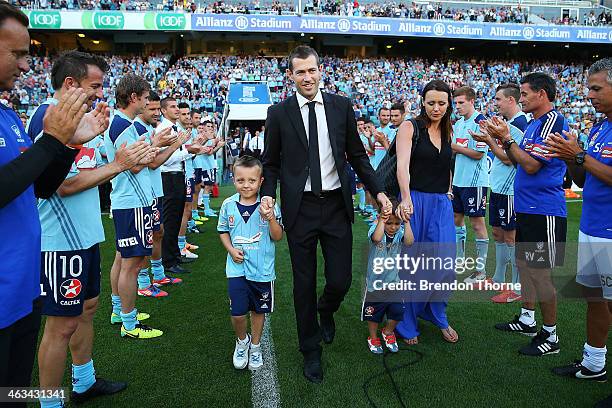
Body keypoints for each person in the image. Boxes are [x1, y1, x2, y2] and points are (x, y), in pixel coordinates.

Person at [29, 51, 154, 407]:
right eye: (94, 86)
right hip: (59, 240)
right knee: (59, 325)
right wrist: (118, 165)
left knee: (86, 310)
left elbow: (90, 169)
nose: (100, 94)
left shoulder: (80, 119)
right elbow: (63, 185)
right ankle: (49, 402)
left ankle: (83, 382)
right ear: (70, 84)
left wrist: (115, 163)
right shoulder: (50, 117)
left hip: (83, 235)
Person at [260, 45, 390, 383]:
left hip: (335, 205)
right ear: (291, 76)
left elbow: (359, 157)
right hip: (300, 209)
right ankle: (310, 349)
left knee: (340, 280)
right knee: (303, 284)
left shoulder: (341, 106)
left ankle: (326, 310)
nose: (307, 77)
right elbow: (270, 163)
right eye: (300, 72)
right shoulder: (278, 112)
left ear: (321, 71)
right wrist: (266, 196)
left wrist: (377, 191)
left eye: (312, 70)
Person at [0, 3, 105, 397]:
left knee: (12, 394)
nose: (27, 65)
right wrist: (54, 141)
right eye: (18, 53)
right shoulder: (37, 116)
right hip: (26, 271)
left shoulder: (7, 115)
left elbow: (39, 185)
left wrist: (67, 145)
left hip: (18, 289)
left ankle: (72, 387)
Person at [490, 72, 569, 357]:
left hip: (544, 210)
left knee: (540, 273)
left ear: (542, 94)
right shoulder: (536, 124)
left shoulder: (553, 121)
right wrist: (498, 141)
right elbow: (518, 161)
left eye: (524, 94)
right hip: (527, 207)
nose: (520, 98)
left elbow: (533, 166)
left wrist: (507, 139)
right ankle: (527, 318)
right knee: (525, 266)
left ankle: (551, 335)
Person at [546, 59, 612, 391]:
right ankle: (593, 363)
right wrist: (569, 156)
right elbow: (583, 180)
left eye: (597, 88)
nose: (590, 95)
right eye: (588, 88)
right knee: (595, 298)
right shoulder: (599, 127)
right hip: (591, 227)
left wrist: (580, 155)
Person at [394, 79, 459, 345]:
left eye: (442, 103)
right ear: (423, 102)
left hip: (441, 203)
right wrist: (406, 199)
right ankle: (406, 321)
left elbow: (447, 164)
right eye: (431, 102)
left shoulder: (448, 130)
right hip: (415, 201)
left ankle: (436, 313)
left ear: (448, 104)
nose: (436, 108)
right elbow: (402, 166)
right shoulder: (410, 126)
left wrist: (450, 188)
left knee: (445, 264)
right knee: (411, 266)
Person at [104, 74, 163, 339]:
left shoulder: (121, 124)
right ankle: (129, 323)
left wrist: (149, 150)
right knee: (133, 263)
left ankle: (120, 310)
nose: (148, 102)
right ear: (133, 98)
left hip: (128, 201)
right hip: (132, 202)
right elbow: (135, 164)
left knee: (123, 258)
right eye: (146, 97)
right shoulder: (122, 126)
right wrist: (153, 148)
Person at [218, 155, 283, 371]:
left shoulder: (269, 205)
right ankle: (241, 341)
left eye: (251, 181)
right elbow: (223, 231)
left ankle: (255, 346)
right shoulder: (228, 205)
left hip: (262, 271)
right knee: (237, 312)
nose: (246, 185)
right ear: (234, 180)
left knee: (258, 311)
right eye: (240, 180)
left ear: (261, 181)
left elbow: (277, 236)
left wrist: (271, 218)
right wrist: (230, 249)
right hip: (236, 269)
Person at [471, 83, 527, 303]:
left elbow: (509, 158)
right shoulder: (509, 123)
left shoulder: (520, 125)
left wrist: (488, 140)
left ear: (510, 100)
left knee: (512, 237)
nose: (495, 103)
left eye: (498, 99)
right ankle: (497, 278)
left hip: (511, 190)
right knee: (498, 233)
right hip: (498, 187)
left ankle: (516, 286)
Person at [133, 91, 184, 297]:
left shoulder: (149, 128)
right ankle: (144, 283)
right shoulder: (136, 128)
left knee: (158, 232)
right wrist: (174, 145)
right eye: (152, 108)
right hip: (143, 193)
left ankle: (158, 274)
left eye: (156, 108)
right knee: (147, 238)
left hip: (154, 189)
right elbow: (152, 162)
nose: (156, 113)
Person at [362, 198, 413, 354]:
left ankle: (388, 332)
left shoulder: (400, 233)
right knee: (373, 314)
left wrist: (407, 222)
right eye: (389, 223)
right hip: (375, 284)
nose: (393, 227)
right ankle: (373, 337)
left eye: (397, 223)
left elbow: (410, 242)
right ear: (381, 219)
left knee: (397, 312)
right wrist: (381, 220)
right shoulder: (375, 229)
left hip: (393, 283)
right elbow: (377, 239)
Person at [450, 86, 490, 284]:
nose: (457, 106)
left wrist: (456, 147)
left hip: (475, 182)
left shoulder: (480, 123)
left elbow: (479, 154)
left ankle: (481, 270)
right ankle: (459, 258)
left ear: (472, 101)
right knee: (456, 218)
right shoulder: (458, 124)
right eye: (455, 103)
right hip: (459, 180)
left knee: (477, 223)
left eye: (461, 103)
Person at [158, 97, 192, 274]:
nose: (177, 109)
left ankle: (175, 255)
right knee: (170, 219)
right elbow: (167, 159)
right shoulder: (164, 129)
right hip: (169, 177)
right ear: (163, 110)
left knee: (176, 217)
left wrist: (188, 151)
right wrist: (189, 152)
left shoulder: (175, 128)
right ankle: (168, 261)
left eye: (177, 106)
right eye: (172, 107)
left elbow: (179, 153)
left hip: (177, 175)